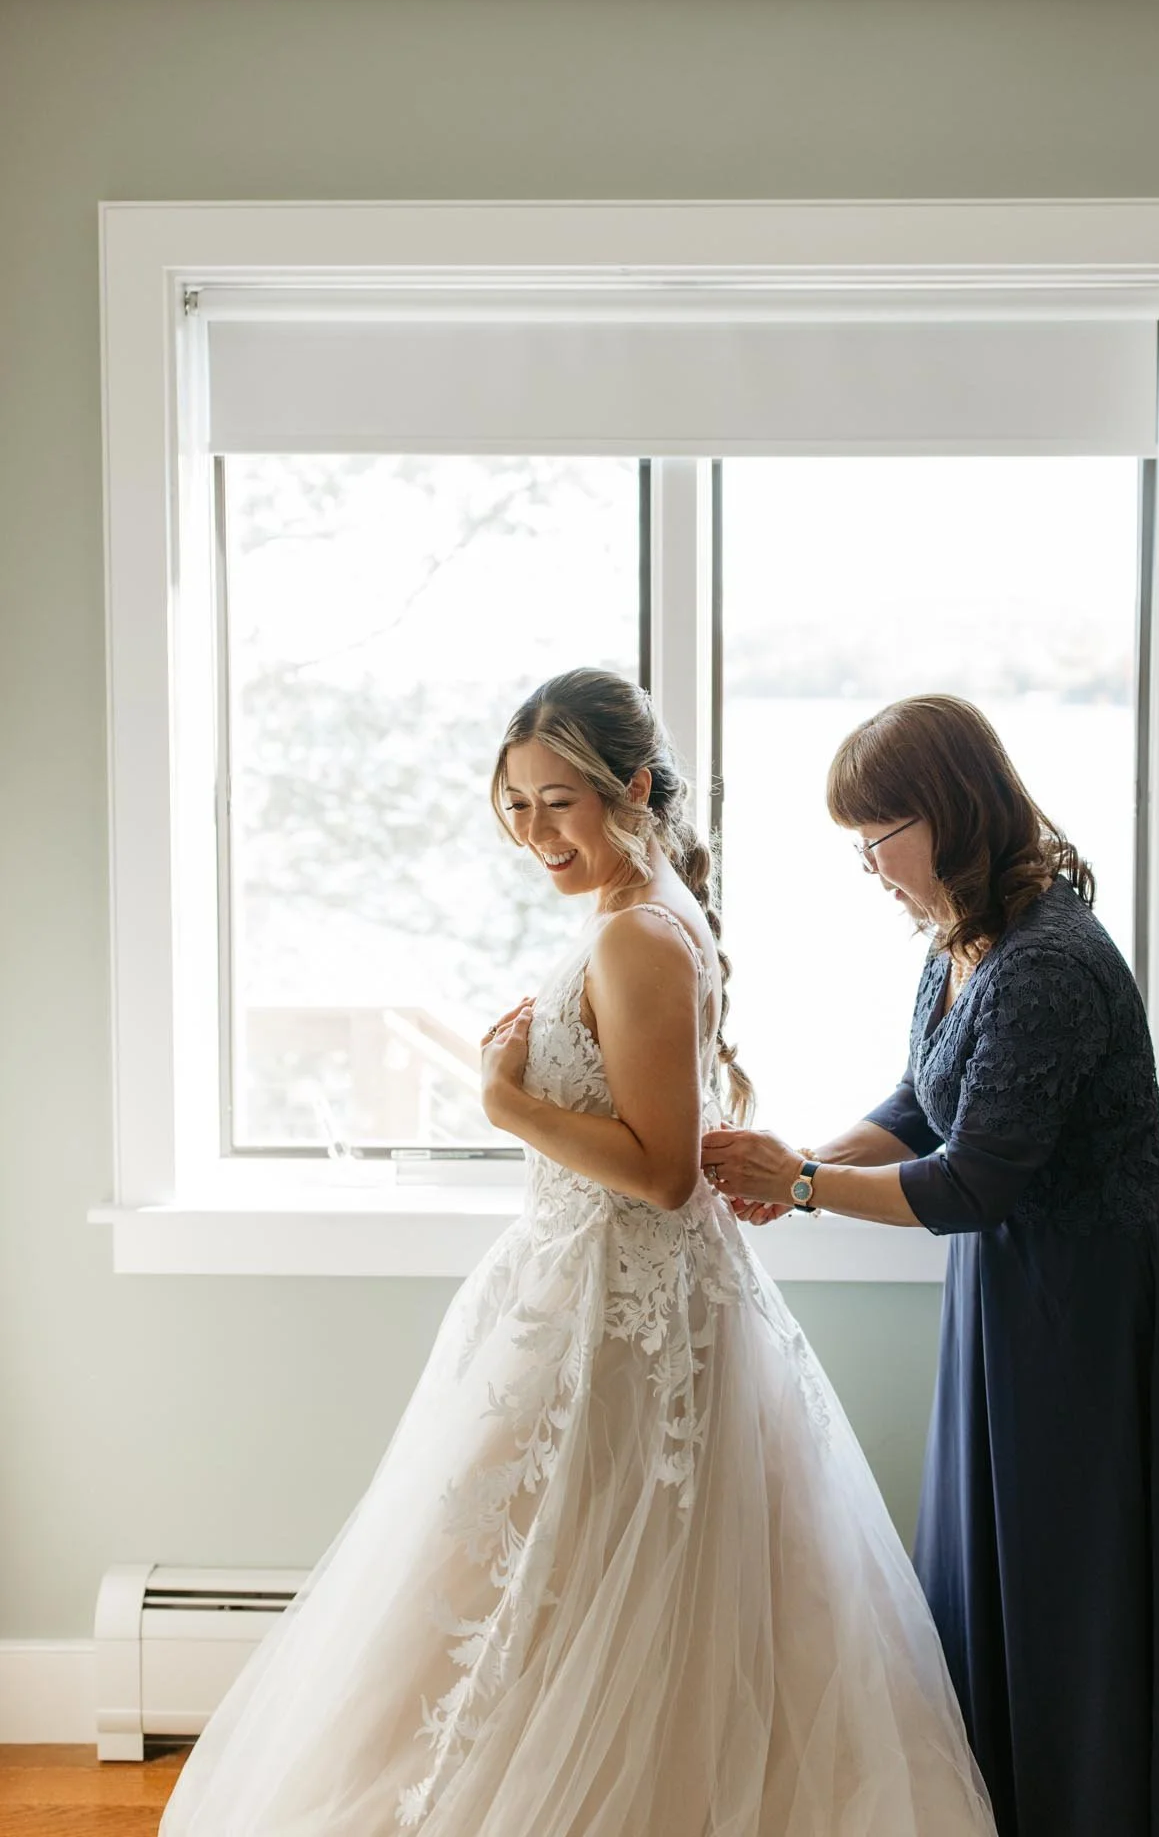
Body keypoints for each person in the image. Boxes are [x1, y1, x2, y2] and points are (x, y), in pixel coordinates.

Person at [160, 669, 995, 1837]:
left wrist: (504, 1103)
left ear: (633, 788)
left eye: (559, 802)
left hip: (622, 1301)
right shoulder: (627, 910)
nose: (534, 831)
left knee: (594, 1580)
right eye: (514, 804)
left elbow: (661, 1170)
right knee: (548, 1585)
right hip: (584, 1287)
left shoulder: (643, 931)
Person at [703, 694, 1159, 1837]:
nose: (867, 864)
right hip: (1020, 1287)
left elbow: (966, 1183)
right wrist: (803, 1159)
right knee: (1007, 1564)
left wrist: (799, 1184)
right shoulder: (962, 935)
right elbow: (924, 1100)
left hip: (1098, 1298)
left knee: (1078, 1572)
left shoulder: (1046, 959)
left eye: (877, 834)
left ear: (947, 812)